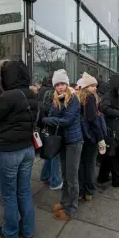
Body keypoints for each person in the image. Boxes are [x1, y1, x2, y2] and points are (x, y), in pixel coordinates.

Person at [0, 59, 37, 238]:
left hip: (10, 152)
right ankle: (28, 230)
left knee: (8, 193)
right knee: (24, 191)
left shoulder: (8, 97)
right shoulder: (30, 93)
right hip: (27, 149)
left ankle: (11, 231)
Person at [42, 69, 83, 220]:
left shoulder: (73, 99)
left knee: (72, 178)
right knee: (65, 175)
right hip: (63, 142)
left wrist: (47, 120)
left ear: (67, 84)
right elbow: (53, 114)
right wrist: (57, 103)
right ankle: (64, 202)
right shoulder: (57, 99)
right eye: (57, 84)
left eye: (63, 84)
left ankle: (71, 210)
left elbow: (67, 121)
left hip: (74, 141)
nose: (60, 87)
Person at [77, 72, 106, 201]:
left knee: (82, 164)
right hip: (91, 136)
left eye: (95, 85)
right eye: (92, 85)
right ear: (86, 87)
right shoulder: (91, 98)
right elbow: (93, 120)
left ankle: (81, 190)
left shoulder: (79, 97)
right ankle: (89, 191)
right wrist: (100, 138)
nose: (95, 88)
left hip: (81, 135)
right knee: (90, 164)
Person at [97, 74, 119, 187]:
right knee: (115, 157)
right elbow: (103, 108)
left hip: (116, 129)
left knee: (108, 156)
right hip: (112, 131)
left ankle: (103, 177)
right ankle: (117, 180)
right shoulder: (108, 96)